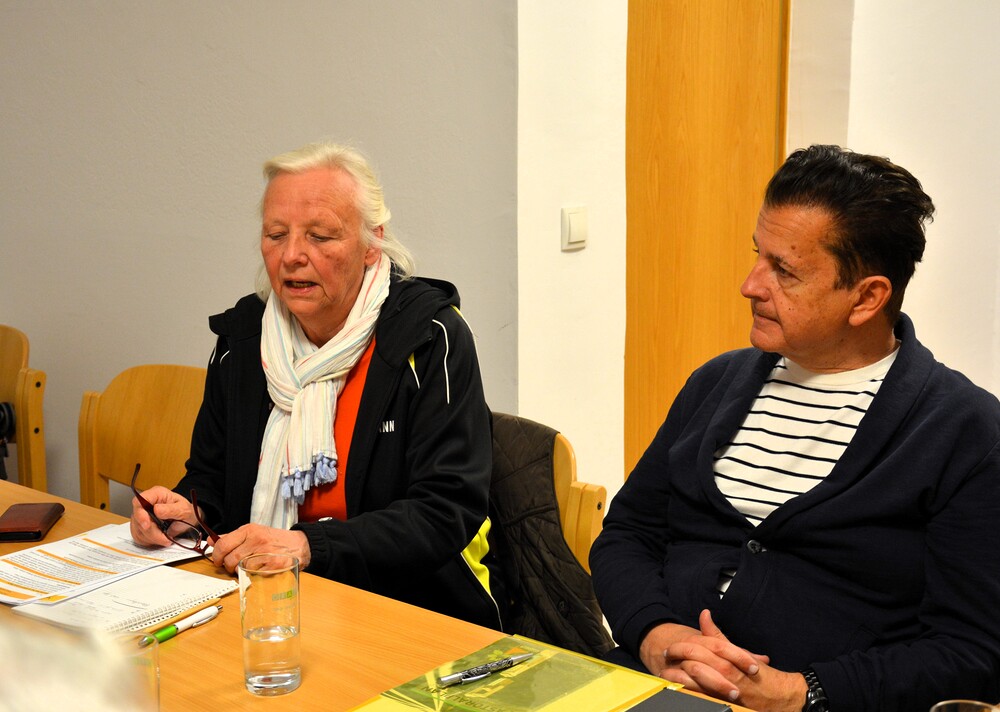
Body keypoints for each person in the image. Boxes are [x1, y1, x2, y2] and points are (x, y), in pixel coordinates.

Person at [591, 145, 1000, 711]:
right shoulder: (715, 383)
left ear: (867, 297)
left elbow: (970, 651)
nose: (750, 285)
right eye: (757, 256)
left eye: (784, 271)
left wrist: (799, 693)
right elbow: (628, 533)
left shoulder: (963, 430)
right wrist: (656, 633)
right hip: (652, 685)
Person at [130, 141, 502, 630]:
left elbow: (445, 512)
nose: (291, 256)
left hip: (407, 608)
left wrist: (308, 546)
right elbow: (212, 475)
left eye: (320, 236)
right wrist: (187, 510)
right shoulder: (243, 340)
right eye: (275, 235)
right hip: (267, 598)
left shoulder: (430, 337)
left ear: (372, 244)